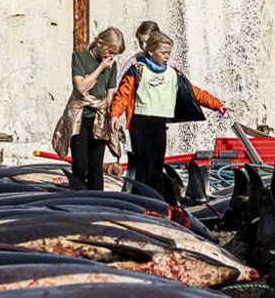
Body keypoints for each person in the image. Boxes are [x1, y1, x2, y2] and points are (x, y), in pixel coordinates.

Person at [109, 30, 229, 194]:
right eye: (163, 53)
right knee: (143, 165)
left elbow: (194, 93)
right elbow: (123, 95)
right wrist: (115, 115)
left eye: (169, 53)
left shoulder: (172, 73)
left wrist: (217, 105)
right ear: (151, 52)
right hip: (140, 123)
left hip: (159, 123)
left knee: (157, 166)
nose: (167, 56)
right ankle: (140, 197)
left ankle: (156, 199)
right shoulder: (137, 70)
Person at [54, 27, 125, 190]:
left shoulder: (112, 65)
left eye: (115, 54)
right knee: (79, 165)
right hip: (80, 117)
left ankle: (96, 201)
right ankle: (78, 198)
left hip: (98, 118)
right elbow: (80, 87)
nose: (111, 57)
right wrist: (100, 69)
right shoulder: (80, 57)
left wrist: (114, 116)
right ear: (100, 43)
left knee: (96, 166)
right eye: (109, 51)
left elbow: (109, 96)